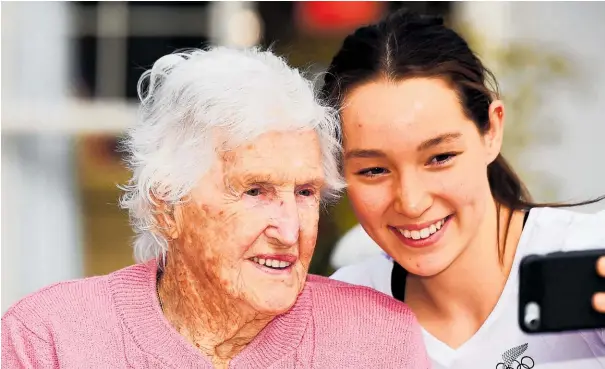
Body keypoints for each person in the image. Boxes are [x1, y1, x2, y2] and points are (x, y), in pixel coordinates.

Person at [1, 47, 430, 368]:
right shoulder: (49, 339)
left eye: (304, 193)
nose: (289, 230)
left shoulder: (378, 343)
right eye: (254, 191)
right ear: (167, 206)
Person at [323, 9, 605, 369]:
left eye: (440, 157)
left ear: (492, 131)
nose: (411, 202)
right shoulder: (337, 317)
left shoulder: (589, 258)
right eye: (375, 169)